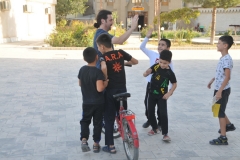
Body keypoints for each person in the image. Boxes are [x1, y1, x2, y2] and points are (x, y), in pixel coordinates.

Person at [96, 33, 138, 153]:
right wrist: (122, 63)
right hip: (122, 90)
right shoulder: (120, 53)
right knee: (122, 113)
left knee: (109, 118)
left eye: (98, 47)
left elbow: (104, 68)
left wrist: (105, 78)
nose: (99, 49)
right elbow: (135, 62)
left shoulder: (103, 57)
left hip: (110, 91)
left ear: (102, 47)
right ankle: (128, 133)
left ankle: (111, 146)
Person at [140, 28, 174, 130]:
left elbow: (172, 76)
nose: (160, 46)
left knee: (161, 107)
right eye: (159, 44)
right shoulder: (153, 54)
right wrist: (147, 37)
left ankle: (160, 123)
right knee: (147, 103)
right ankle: (150, 119)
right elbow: (142, 47)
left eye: (163, 45)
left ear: (168, 48)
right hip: (151, 84)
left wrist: (170, 91)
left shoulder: (169, 61)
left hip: (162, 86)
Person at [77, 47, 109, 153]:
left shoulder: (82, 69)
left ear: (84, 58)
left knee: (85, 121)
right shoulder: (97, 72)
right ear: (96, 57)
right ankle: (96, 144)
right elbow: (100, 89)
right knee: (97, 123)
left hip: (86, 102)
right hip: (98, 103)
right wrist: (106, 83)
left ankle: (84, 140)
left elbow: (80, 83)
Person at [207, 36, 236, 145]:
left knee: (220, 112)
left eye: (219, 43)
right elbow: (221, 73)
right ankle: (228, 125)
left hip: (222, 90)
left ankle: (223, 137)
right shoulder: (223, 58)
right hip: (219, 88)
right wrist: (213, 79)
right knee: (217, 109)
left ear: (225, 46)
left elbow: (227, 77)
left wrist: (219, 91)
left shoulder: (227, 59)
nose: (217, 45)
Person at [143, 50, 177, 141]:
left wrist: (169, 93)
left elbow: (174, 84)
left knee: (163, 114)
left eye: (165, 63)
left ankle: (165, 134)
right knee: (150, 111)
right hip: (152, 93)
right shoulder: (156, 66)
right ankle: (154, 128)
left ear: (169, 62)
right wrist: (146, 72)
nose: (162, 64)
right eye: (161, 62)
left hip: (162, 96)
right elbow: (146, 73)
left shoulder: (170, 73)